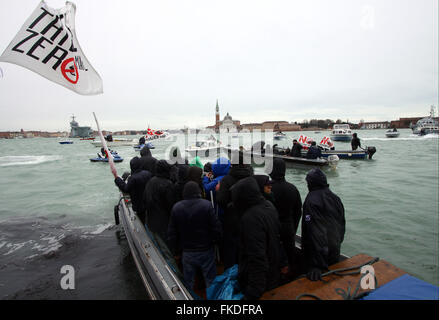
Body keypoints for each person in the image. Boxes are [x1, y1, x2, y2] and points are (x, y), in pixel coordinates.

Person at [231, 177, 281, 300]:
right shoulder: (269, 205)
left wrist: (252, 293)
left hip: (259, 279)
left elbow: (257, 257)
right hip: (273, 268)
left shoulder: (250, 218)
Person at [167, 181, 222, 290]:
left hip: (187, 251)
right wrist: (216, 241)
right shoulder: (206, 205)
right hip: (206, 249)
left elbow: (172, 233)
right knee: (210, 279)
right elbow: (216, 228)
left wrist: (175, 251)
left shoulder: (177, 207)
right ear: (198, 192)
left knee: (189, 281)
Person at [301, 168, 345, 281]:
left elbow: (316, 233)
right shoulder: (335, 198)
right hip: (334, 251)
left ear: (311, 183)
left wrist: (316, 264)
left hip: (318, 259)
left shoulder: (311, 201)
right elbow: (342, 225)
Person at [216, 152, 254, 270]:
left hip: (231, 220)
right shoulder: (251, 177)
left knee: (231, 249)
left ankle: (231, 274)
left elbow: (221, 200)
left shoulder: (227, 179)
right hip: (249, 218)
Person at [269, 158, 302, 275]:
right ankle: (291, 276)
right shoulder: (293, 188)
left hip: (272, 228)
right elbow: (298, 211)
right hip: (288, 226)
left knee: (273, 256)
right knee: (290, 254)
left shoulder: (267, 189)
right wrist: (293, 226)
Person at [143, 160, 176, 245]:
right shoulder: (168, 184)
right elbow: (171, 205)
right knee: (166, 246)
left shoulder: (150, 182)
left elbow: (145, 199)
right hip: (164, 222)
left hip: (151, 220)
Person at [113, 156, 152, 224]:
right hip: (149, 204)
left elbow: (126, 189)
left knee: (142, 221)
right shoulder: (148, 173)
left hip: (139, 206)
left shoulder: (133, 178)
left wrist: (116, 177)